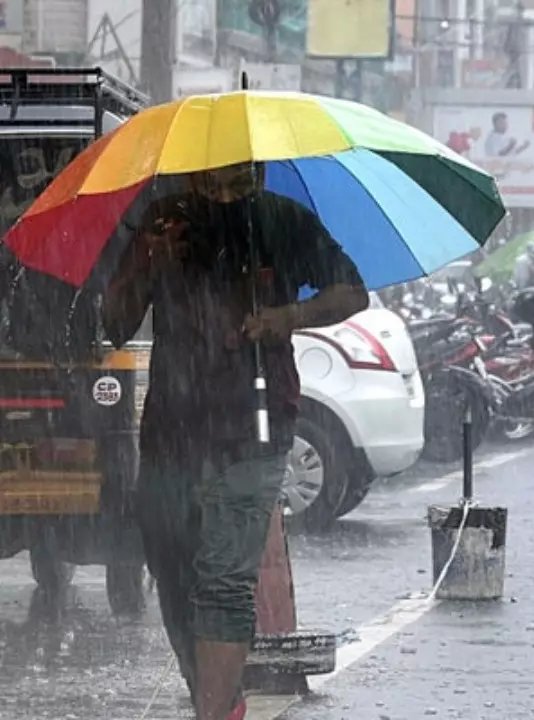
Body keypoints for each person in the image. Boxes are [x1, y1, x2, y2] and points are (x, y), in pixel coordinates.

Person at [103, 163, 369, 720]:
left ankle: (212, 709)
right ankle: (218, 694)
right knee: (171, 568)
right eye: (213, 176)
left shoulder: (280, 219)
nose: (225, 187)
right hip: (173, 428)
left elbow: (351, 293)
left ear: (258, 168)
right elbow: (115, 323)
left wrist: (288, 316)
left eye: (239, 174)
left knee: (224, 580)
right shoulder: (164, 220)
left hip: (256, 422)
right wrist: (147, 260)